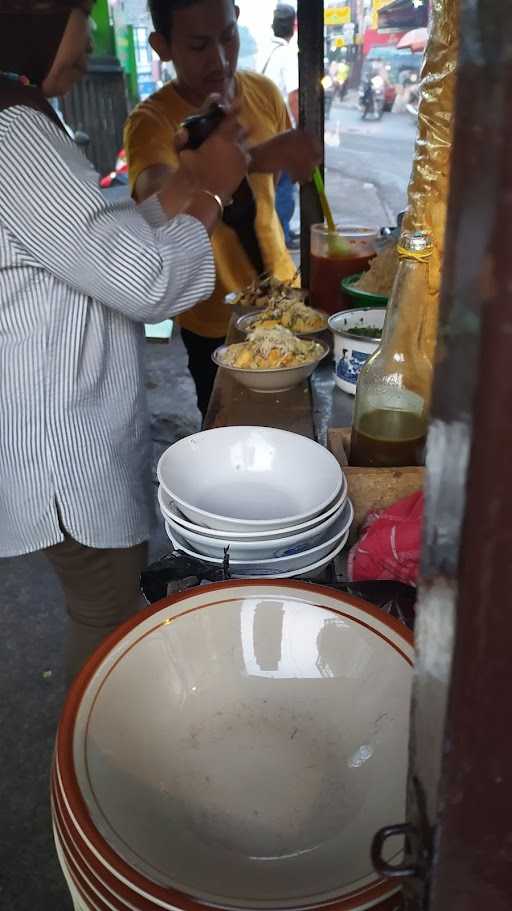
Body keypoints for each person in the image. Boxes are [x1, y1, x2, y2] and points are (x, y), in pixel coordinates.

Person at [0, 0, 247, 681]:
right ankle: (85, 766)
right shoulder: (12, 131)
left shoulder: (23, 115)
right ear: (33, 18)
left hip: (64, 427)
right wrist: (216, 197)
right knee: (106, 611)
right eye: (82, 12)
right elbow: (143, 280)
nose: (88, 38)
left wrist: (190, 187)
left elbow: (95, 237)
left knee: (109, 599)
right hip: (62, 450)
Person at [124, 0, 321, 420]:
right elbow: (153, 198)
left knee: (299, 420)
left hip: (285, 299)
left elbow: (277, 195)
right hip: (215, 323)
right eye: (198, 45)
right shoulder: (152, 122)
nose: (218, 58)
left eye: (227, 37)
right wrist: (252, 158)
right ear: (162, 46)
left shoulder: (264, 93)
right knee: (232, 430)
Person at [261, 3, 299, 250]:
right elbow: (295, 96)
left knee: (272, 186)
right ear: (293, 27)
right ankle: (282, 235)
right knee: (284, 185)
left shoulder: (264, 53)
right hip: (280, 133)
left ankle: (279, 231)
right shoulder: (286, 54)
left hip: (262, 133)